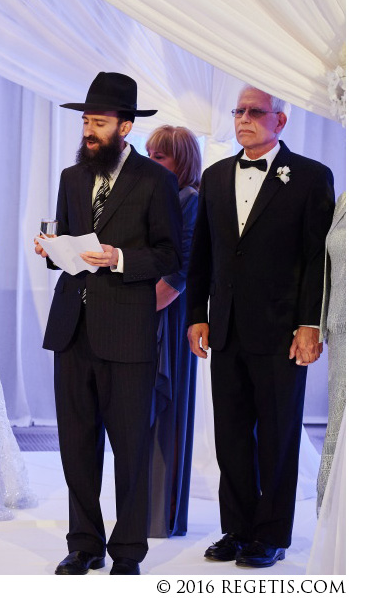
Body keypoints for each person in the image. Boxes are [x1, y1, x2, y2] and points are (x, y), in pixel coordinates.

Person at [34, 72, 182, 575]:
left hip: (127, 333)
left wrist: (120, 258)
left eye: (98, 122)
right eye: (85, 121)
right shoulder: (71, 179)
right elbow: (65, 243)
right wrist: (51, 250)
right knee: (76, 445)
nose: (88, 131)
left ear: (125, 126)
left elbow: (168, 254)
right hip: (72, 326)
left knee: (130, 448)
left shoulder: (155, 181)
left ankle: (127, 551)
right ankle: (84, 544)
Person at [187, 85, 335, 568]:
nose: (244, 119)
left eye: (255, 112)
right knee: (230, 436)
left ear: (280, 121)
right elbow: (202, 256)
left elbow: (317, 259)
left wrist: (309, 324)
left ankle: (270, 535)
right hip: (225, 327)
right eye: (239, 111)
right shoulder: (214, 177)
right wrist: (197, 315)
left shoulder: (312, 177)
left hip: (282, 333)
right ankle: (237, 528)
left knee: (277, 435)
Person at [144, 125, 201, 538]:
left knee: (167, 409)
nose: (151, 162)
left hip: (173, 313)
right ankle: (143, 512)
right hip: (146, 308)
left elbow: (183, 268)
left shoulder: (191, 199)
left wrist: (142, 310)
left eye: (160, 156)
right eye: (148, 153)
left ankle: (162, 516)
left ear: (182, 162)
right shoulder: (154, 195)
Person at [317, 190, 345, 511]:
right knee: (338, 421)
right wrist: (319, 323)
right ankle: (332, 511)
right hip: (342, 329)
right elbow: (326, 265)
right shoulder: (347, 199)